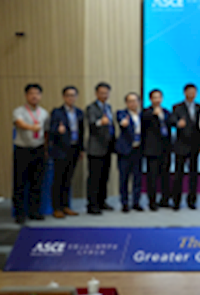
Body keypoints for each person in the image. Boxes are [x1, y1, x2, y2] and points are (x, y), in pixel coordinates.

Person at [12, 84, 50, 224]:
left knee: (37, 182)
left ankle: (34, 212)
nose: (34, 96)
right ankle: (20, 214)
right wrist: (31, 127)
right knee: (20, 183)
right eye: (31, 93)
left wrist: (46, 150)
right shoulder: (19, 111)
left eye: (37, 93)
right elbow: (19, 123)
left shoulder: (44, 113)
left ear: (40, 96)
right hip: (22, 150)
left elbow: (46, 133)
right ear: (26, 95)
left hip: (38, 149)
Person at [48, 86, 84, 218]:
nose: (71, 98)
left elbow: (81, 132)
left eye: (73, 95)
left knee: (68, 180)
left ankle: (66, 206)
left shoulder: (79, 112)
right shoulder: (57, 112)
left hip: (74, 149)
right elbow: (50, 130)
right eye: (68, 95)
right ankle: (56, 208)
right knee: (58, 180)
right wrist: (58, 130)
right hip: (61, 150)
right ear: (64, 97)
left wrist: (81, 149)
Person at [169, 84, 200, 210]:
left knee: (193, 175)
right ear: (184, 92)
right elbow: (172, 120)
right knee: (178, 175)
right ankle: (176, 201)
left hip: (195, 146)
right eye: (189, 91)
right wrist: (178, 123)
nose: (191, 94)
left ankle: (192, 200)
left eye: (194, 92)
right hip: (181, 146)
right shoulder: (177, 107)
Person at [86, 82, 116, 215]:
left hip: (107, 146)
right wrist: (100, 122)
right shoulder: (91, 108)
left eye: (106, 93)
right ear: (96, 93)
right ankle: (92, 205)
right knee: (94, 177)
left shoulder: (108, 107)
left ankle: (101, 201)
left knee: (105, 176)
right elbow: (92, 124)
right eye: (102, 92)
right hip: (95, 148)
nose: (104, 95)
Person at [141, 89, 172, 211]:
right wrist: (154, 114)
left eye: (159, 97)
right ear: (150, 99)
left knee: (165, 176)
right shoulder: (146, 112)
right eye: (154, 97)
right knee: (152, 177)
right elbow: (144, 122)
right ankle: (152, 202)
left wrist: (161, 116)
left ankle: (165, 200)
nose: (157, 100)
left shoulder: (166, 112)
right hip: (152, 150)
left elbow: (170, 126)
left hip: (166, 149)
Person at [115, 92, 144, 213]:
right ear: (126, 103)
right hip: (125, 151)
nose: (133, 103)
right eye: (130, 101)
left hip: (138, 150)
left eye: (135, 101)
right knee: (124, 178)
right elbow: (121, 122)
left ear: (139, 102)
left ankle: (136, 202)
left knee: (137, 178)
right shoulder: (122, 113)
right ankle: (125, 203)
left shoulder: (142, 115)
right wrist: (123, 123)